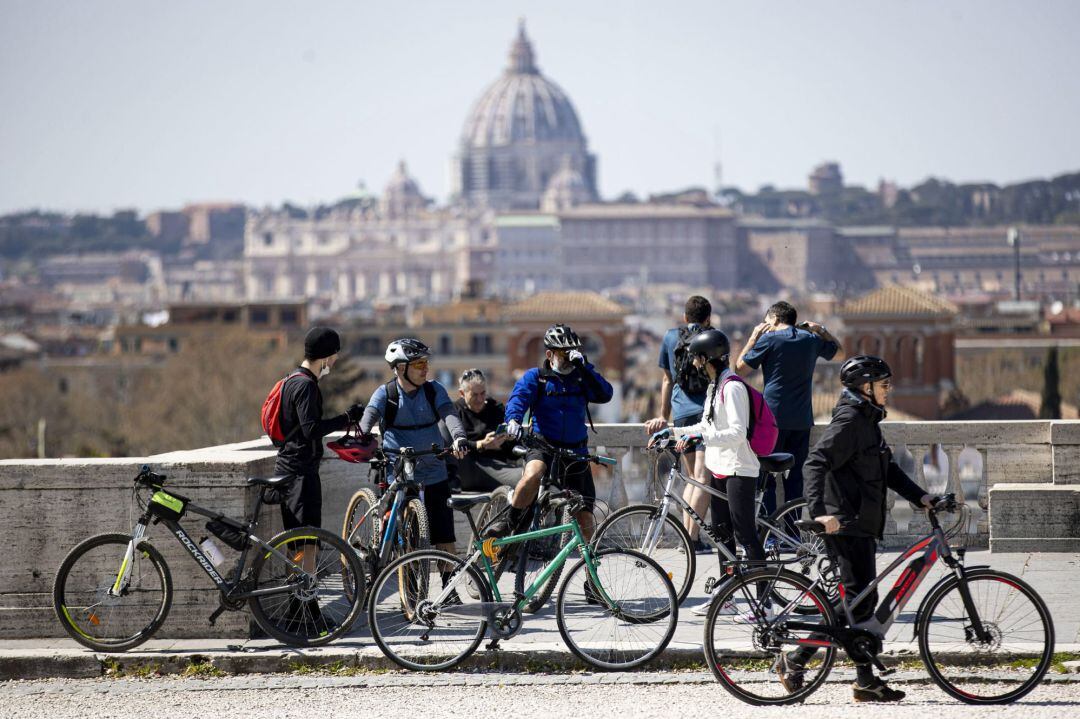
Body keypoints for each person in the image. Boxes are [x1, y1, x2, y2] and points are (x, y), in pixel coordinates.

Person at [778, 355, 934, 703]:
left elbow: (889, 470)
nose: (888, 390)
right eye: (883, 384)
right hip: (844, 523)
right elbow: (815, 462)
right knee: (855, 600)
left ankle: (860, 680)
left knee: (859, 602)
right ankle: (797, 658)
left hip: (861, 523)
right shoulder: (850, 421)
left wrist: (922, 496)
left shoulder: (868, 421)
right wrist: (819, 512)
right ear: (866, 387)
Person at [356, 338, 469, 595]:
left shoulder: (433, 390)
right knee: (402, 533)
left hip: (433, 466)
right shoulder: (386, 394)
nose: (424, 368)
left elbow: (449, 414)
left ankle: (448, 590)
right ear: (400, 368)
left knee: (444, 533)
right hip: (399, 468)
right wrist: (362, 435)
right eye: (418, 364)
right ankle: (407, 587)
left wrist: (459, 436)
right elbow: (369, 418)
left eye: (425, 363)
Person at [485, 323, 613, 542]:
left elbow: (605, 394)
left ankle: (590, 569)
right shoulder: (536, 377)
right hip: (543, 445)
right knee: (533, 473)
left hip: (575, 451)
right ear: (549, 354)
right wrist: (514, 420)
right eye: (563, 354)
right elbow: (517, 400)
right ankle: (510, 520)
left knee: (585, 515)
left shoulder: (581, 377)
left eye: (572, 353)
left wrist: (584, 367)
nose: (568, 359)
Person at [668, 329, 763, 616]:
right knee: (723, 537)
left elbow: (736, 433)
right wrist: (673, 432)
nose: (694, 364)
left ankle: (764, 603)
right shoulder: (715, 385)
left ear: (706, 358)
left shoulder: (732, 387)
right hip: (720, 468)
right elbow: (706, 427)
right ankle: (728, 597)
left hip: (739, 469)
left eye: (697, 358)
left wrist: (703, 439)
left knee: (746, 534)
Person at [275, 326, 363, 629]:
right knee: (305, 542)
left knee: (299, 542)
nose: (335, 362)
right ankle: (302, 611)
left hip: (291, 468)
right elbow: (311, 429)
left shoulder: (290, 380)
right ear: (325, 357)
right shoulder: (306, 386)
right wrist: (346, 418)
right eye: (333, 356)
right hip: (300, 473)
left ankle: (303, 609)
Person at [735, 301, 842, 536]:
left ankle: (771, 535)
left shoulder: (768, 339)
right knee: (796, 480)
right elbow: (840, 352)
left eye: (766, 321)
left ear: (773, 319)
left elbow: (739, 369)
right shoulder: (810, 340)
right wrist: (821, 330)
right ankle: (793, 535)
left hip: (771, 420)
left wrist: (753, 337)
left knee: (767, 479)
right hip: (802, 419)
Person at [644, 295, 713, 552]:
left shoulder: (671, 337)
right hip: (707, 414)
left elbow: (666, 380)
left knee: (692, 478)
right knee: (703, 479)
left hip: (681, 415)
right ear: (708, 318)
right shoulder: (714, 338)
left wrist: (664, 414)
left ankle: (688, 538)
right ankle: (692, 540)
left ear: (685, 317)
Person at [453, 368, 522, 492]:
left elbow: (512, 452)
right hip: (469, 467)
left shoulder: (496, 409)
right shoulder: (454, 412)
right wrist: (481, 445)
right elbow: (451, 444)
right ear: (462, 393)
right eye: (474, 395)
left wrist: (509, 440)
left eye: (483, 393)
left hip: (499, 465)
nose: (480, 399)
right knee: (522, 478)